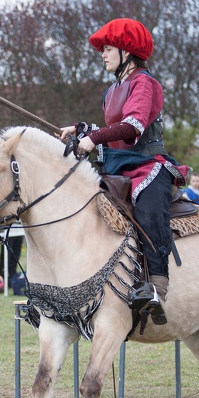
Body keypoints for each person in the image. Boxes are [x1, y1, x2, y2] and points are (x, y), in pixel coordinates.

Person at [59, 18, 189, 325]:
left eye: (108, 49)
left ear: (127, 52)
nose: (103, 55)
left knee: (148, 212)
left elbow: (133, 127)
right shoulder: (112, 89)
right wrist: (81, 129)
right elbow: (111, 131)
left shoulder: (145, 83)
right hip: (116, 169)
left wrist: (92, 138)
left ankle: (157, 287)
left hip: (147, 167)